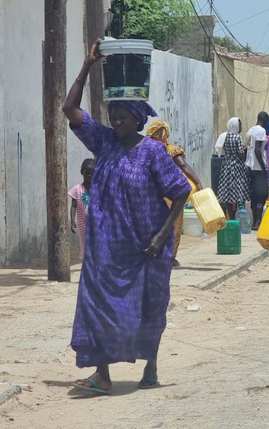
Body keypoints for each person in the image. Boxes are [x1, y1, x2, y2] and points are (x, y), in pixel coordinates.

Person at [63, 41, 192, 395]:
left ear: (137, 118)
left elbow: (181, 191)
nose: (116, 121)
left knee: (150, 306)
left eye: (122, 116)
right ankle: (102, 374)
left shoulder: (153, 152)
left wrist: (161, 237)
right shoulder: (103, 142)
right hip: (105, 250)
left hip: (146, 248)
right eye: (113, 116)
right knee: (96, 304)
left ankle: (151, 366)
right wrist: (87, 66)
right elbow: (69, 108)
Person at [146, 120, 203, 267]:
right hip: (172, 195)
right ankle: (170, 256)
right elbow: (183, 165)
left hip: (152, 195)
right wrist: (197, 182)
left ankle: (152, 253)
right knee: (174, 223)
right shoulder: (171, 150)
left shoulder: (144, 150)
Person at [217, 118, 250, 219]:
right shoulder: (237, 138)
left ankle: (230, 217)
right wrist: (246, 148)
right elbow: (240, 154)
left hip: (226, 165)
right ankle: (240, 216)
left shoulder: (224, 136)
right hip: (237, 167)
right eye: (240, 125)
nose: (241, 127)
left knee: (228, 192)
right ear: (235, 126)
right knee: (239, 190)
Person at [246, 111, 269, 229]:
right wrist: (264, 168)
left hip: (250, 167)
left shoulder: (250, 131)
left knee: (254, 195)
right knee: (261, 194)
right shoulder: (261, 131)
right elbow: (257, 150)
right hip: (258, 168)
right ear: (264, 120)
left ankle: (254, 220)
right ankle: (258, 222)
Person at [69, 158, 95, 261]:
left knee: (96, 244)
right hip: (83, 224)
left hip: (97, 224)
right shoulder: (77, 189)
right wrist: (72, 221)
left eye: (92, 173)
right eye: (87, 173)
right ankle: (86, 263)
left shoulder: (98, 189)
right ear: (82, 172)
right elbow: (73, 206)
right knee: (85, 244)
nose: (89, 176)